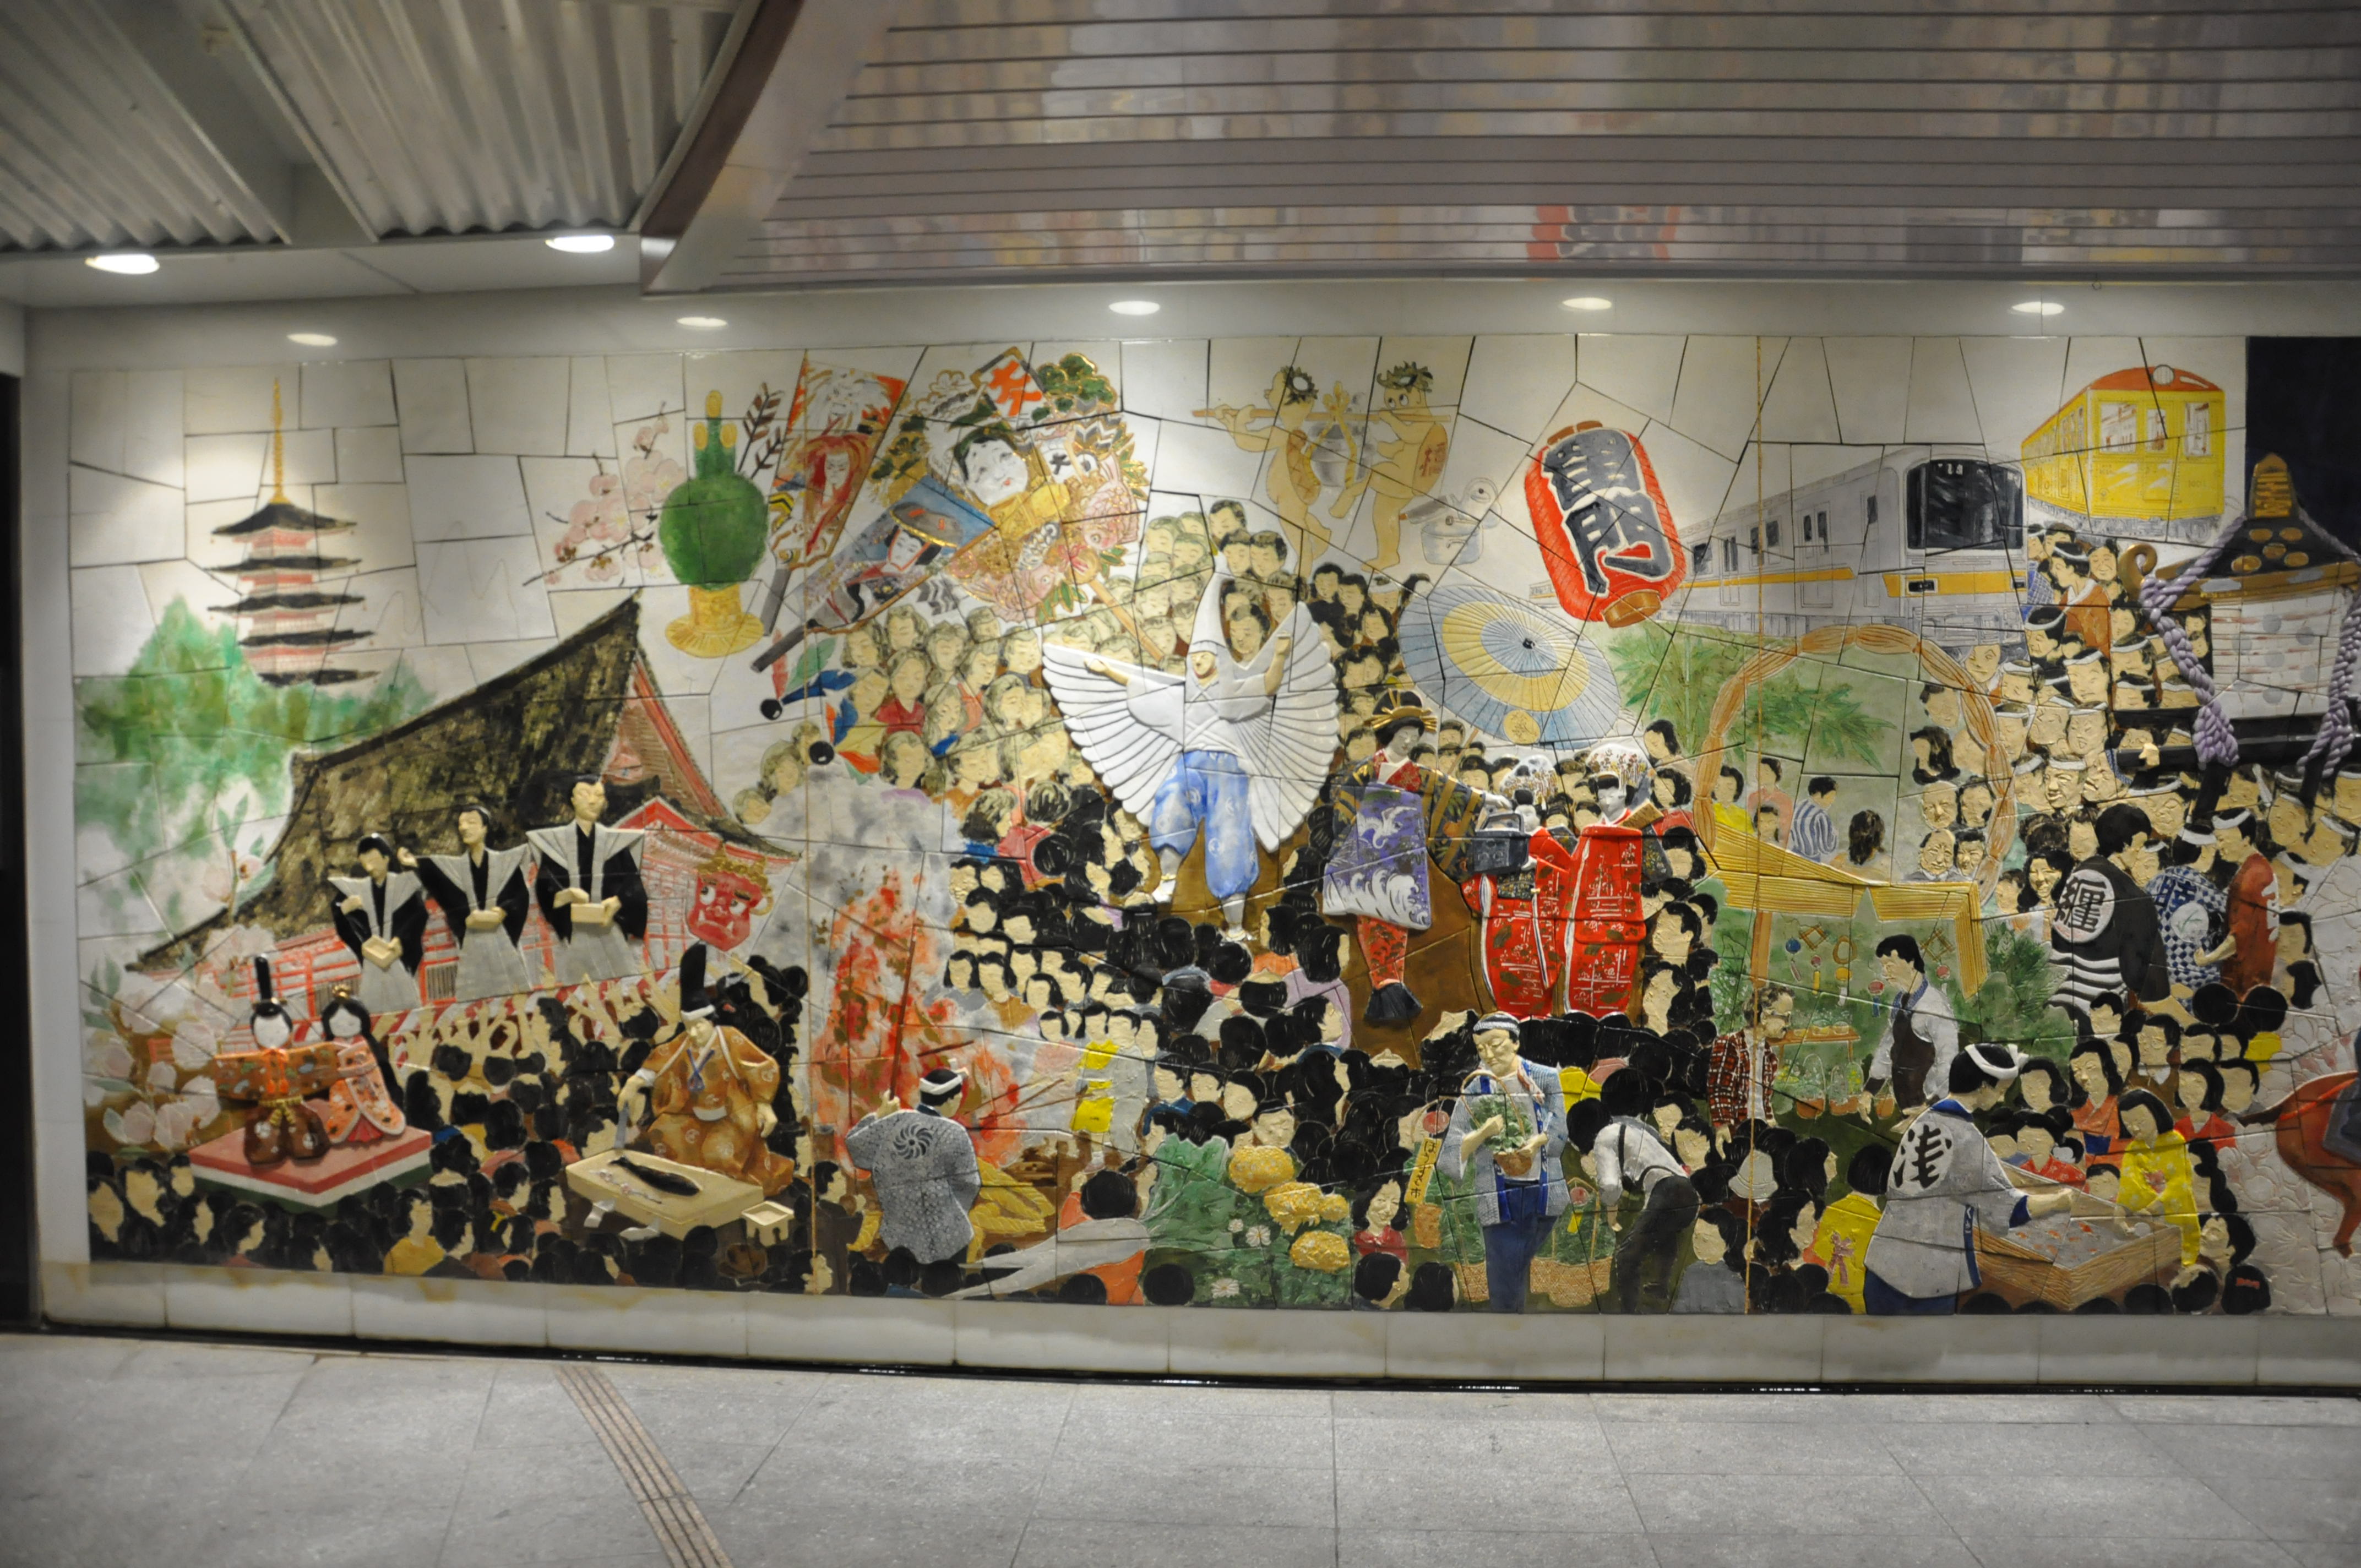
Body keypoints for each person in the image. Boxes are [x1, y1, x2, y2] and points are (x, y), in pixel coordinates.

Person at [1044, 564, 1335, 938]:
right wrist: (1106, 671)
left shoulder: (1233, 693)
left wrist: (1278, 656)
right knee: (1170, 804)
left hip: (1228, 772)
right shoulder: (1179, 698)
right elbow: (1140, 686)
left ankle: (1234, 924)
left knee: (1231, 840)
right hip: (1191, 765)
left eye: (1205, 655)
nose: (1198, 661)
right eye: (1194, 656)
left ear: (1218, 658)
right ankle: (1167, 879)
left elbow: (1268, 685)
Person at [1320, 693, 1499, 1022]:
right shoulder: (1365, 773)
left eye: (1414, 736)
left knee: (1399, 918)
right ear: (1389, 734)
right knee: (1372, 918)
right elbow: (1344, 811)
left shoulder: (1418, 775)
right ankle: (1384, 986)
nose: (1408, 741)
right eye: (1403, 734)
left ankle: (1392, 986)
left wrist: (1483, 799)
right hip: (1368, 859)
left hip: (1404, 862)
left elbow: (1453, 791)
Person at [1862, 1045, 2079, 1313]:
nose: (2002, 1098)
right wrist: (2061, 1200)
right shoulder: (1968, 1138)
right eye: (2001, 1090)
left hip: (1883, 1265)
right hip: (1925, 1284)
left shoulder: (1925, 1120)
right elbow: (2009, 1210)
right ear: (1984, 1087)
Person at [618, 945, 796, 1196]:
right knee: (662, 1135)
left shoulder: (729, 1039)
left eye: (699, 1025)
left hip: (731, 1119)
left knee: (718, 1154)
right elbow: (660, 1060)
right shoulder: (685, 1043)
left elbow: (761, 1066)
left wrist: (764, 1104)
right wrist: (634, 1083)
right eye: (688, 1026)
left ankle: (722, 1201)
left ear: (710, 1021)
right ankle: (678, 1192)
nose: (693, 1032)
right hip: (692, 1115)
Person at [1439, 1014, 1568, 1313]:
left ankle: (1513, 1325)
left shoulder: (1545, 1078)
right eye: (1481, 1048)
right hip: (1499, 1197)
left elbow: (1560, 1125)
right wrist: (1483, 1133)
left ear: (1516, 1042)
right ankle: (1507, 1325)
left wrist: (1535, 1144)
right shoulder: (1476, 1087)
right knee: (1505, 1275)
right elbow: (1452, 1150)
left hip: (1544, 1192)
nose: (1488, 1054)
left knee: (1517, 1266)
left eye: (1495, 1044)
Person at [1577, 1072, 1700, 1314]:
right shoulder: (1647, 1131)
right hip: (1688, 1192)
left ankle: (1629, 1311)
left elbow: (1610, 1185)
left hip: (1668, 1191)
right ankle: (1660, 1287)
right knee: (1665, 1232)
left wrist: (1611, 1213)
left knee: (1627, 1257)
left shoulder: (1607, 1135)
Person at [844, 1066, 983, 1267]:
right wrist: (948, 1213)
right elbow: (969, 1183)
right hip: (950, 1238)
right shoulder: (955, 1132)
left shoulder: (892, 1123)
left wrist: (880, 1115)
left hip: (899, 1238)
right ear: (951, 1100)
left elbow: (855, 1147)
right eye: (959, 1098)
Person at [2049, 802, 2171, 1021]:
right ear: (2126, 844)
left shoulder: (2079, 875)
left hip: (2054, 1006)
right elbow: (2147, 984)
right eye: (2140, 844)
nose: (2140, 851)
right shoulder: (2135, 898)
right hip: (2100, 1015)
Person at [528, 776, 649, 984]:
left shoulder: (615, 843)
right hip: (576, 931)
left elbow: (633, 885)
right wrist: (567, 894)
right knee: (576, 986)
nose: (592, 801)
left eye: (599, 796)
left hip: (609, 928)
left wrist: (618, 901)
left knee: (624, 984)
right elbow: (546, 887)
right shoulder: (556, 844)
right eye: (584, 795)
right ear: (572, 800)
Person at [407, 802, 532, 1002]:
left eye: (471, 822)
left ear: (485, 828)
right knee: (475, 1000)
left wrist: (501, 912)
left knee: (514, 998)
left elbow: (518, 896)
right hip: (474, 944)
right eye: (461, 824)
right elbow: (439, 878)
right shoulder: (456, 868)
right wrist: (413, 863)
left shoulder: (505, 863)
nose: (464, 828)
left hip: (501, 940)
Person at [329, 834, 427, 1019]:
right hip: (372, 959)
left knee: (407, 1006)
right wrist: (343, 910)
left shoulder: (403, 885)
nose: (370, 867)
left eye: (374, 860)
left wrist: (400, 940)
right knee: (371, 1010)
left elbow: (418, 915)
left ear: (386, 858)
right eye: (365, 862)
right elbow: (343, 922)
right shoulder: (358, 888)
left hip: (397, 955)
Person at [1863, 934, 1957, 1112]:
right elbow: (1889, 1045)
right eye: (1883, 967)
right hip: (1904, 1101)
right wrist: (1869, 1091)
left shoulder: (1935, 1005)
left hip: (1929, 1106)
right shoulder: (1901, 1001)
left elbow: (1949, 1060)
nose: (1884, 973)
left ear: (1911, 963)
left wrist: (1931, 1104)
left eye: (1890, 965)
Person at [1789, 776, 1840, 864]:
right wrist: (1835, 834)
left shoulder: (1800, 805)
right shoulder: (1821, 816)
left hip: (1794, 854)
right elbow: (1826, 849)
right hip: (1811, 860)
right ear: (1818, 794)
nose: (1832, 801)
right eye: (1830, 797)